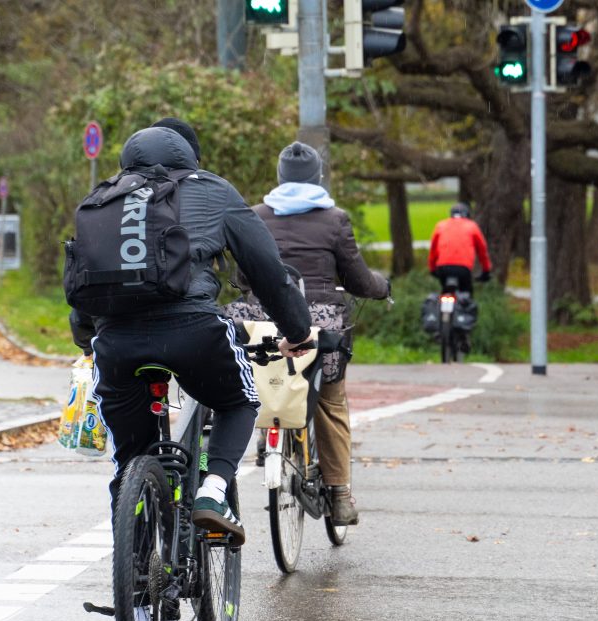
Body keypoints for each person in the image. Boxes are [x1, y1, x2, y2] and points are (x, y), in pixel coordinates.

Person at [68, 126, 312, 546]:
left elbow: (83, 287)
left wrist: (91, 339)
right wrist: (296, 331)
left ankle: (137, 591)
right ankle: (214, 492)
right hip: (193, 332)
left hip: (116, 342)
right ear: (188, 157)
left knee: (129, 464)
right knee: (239, 400)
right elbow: (269, 273)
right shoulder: (214, 190)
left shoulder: (103, 198)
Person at [241, 141, 390, 526]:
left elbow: (243, 277)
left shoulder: (256, 216)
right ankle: (340, 496)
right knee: (330, 402)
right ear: (317, 177)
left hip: (266, 322)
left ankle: (264, 438)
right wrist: (382, 286)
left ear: (279, 177)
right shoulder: (334, 219)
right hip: (319, 326)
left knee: (261, 378)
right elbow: (358, 279)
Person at [427, 202, 492, 294]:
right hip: (463, 268)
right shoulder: (472, 226)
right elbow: (482, 250)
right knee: (466, 297)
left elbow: (433, 250)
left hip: (443, 268)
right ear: (467, 215)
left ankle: (442, 306)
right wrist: (486, 270)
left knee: (445, 291)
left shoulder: (440, 225)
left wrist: (432, 269)